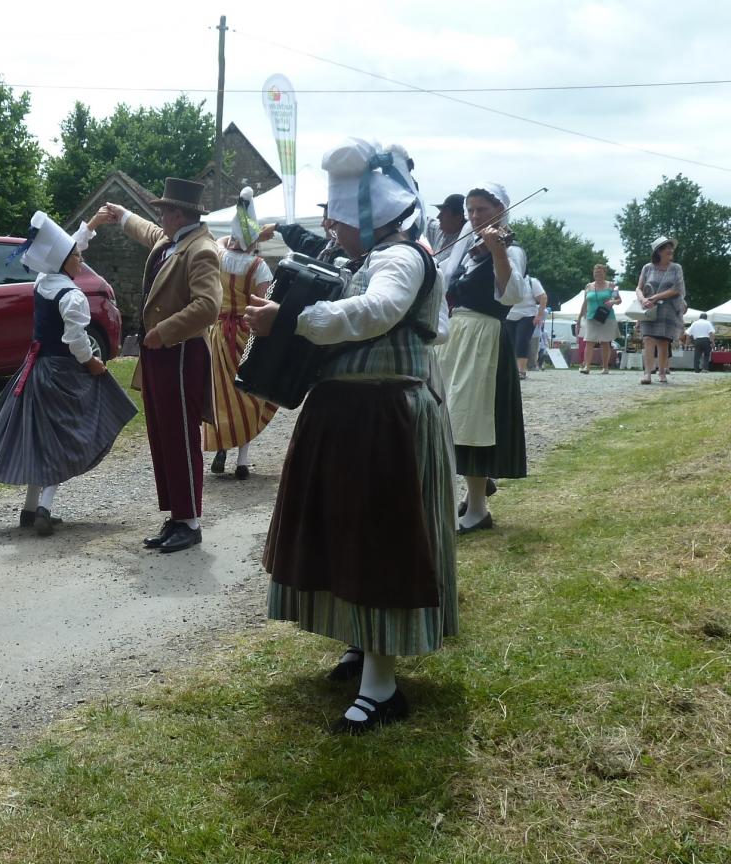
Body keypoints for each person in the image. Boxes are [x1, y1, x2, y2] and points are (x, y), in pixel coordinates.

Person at [245, 138, 455, 734]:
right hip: (352, 419)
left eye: (340, 215)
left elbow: (378, 311)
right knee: (346, 539)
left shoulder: (402, 259)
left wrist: (290, 320)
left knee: (379, 545)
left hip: (384, 419)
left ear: (372, 214)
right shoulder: (370, 256)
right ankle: (363, 649)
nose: (331, 225)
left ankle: (382, 687)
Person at [0, 211, 137, 534]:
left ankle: (29, 510)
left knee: (40, 438)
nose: (81, 260)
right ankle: (44, 507)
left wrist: (93, 224)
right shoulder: (71, 295)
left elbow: (66, 248)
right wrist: (92, 363)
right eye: (77, 257)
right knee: (63, 439)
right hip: (61, 374)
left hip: (36, 369)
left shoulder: (43, 282)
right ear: (63, 260)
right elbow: (76, 341)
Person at [98, 178, 221, 554]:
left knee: (181, 437)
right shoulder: (173, 240)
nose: (160, 215)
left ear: (179, 213)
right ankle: (178, 515)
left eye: (164, 209)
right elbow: (147, 230)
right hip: (161, 354)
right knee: (162, 435)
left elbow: (208, 306)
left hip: (181, 353)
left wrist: (163, 332)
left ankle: (191, 521)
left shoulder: (201, 249)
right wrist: (121, 216)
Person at [437, 184, 529, 533]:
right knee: (453, 417)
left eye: (482, 210)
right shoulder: (466, 250)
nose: (475, 217)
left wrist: (498, 253)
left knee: (470, 419)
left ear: (501, 210)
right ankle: (474, 494)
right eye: (471, 210)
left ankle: (477, 508)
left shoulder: (510, 248)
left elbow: (511, 296)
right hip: (458, 336)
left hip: (484, 337)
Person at [205, 187, 277, 479]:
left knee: (219, 393)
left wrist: (249, 232)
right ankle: (242, 460)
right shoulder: (259, 267)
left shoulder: (219, 255)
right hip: (246, 333)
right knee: (248, 393)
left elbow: (221, 240)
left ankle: (221, 448)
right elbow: (262, 302)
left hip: (219, 332)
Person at [636, 237, 686, 384]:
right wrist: (643, 300)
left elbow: (677, 289)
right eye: (666, 248)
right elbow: (639, 287)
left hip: (668, 309)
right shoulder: (647, 268)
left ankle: (662, 372)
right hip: (648, 308)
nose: (670, 250)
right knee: (648, 339)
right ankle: (647, 373)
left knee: (663, 342)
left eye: (671, 248)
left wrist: (656, 297)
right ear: (658, 251)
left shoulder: (676, 268)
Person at [576, 264, 620, 374]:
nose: (598, 274)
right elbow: (585, 303)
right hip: (591, 317)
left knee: (605, 342)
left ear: (605, 273)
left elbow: (619, 300)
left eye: (600, 272)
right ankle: (587, 366)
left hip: (607, 317)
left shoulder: (611, 286)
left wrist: (612, 302)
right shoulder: (588, 286)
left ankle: (605, 367)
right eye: (596, 272)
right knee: (589, 341)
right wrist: (579, 317)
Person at [505, 273, 547, 380]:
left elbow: (543, 297)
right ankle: (511, 370)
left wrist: (539, 315)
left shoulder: (531, 282)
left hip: (527, 315)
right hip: (509, 315)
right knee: (509, 343)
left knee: (522, 340)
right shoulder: (506, 279)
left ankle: (521, 370)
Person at [424, 193, 466, 264]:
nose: (438, 217)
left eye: (443, 213)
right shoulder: (439, 229)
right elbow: (423, 219)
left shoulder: (466, 243)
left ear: (458, 217)